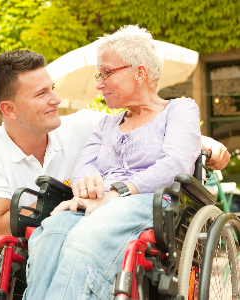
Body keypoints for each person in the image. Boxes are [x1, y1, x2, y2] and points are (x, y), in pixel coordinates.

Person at [0, 48, 229, 295]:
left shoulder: (84, 124)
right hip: (30, 243)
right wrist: (59, 200)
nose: (56, 98)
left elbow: (144, 128)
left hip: (94, 224)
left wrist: (203, 142)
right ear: (9, 109)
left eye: (52, 88)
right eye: (41, 94)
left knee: (85, 235)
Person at [21, 25, 220, 300]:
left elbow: (175, 165)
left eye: (106, 73)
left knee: (88, 237)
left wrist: (116, 194)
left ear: (140, 72)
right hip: (100, 204)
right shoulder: (106, 124)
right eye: (98, 74)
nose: (99, 83)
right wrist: (85, 185)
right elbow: (84, 166)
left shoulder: (179, 109)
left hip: (154, 204)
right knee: (50, 234)